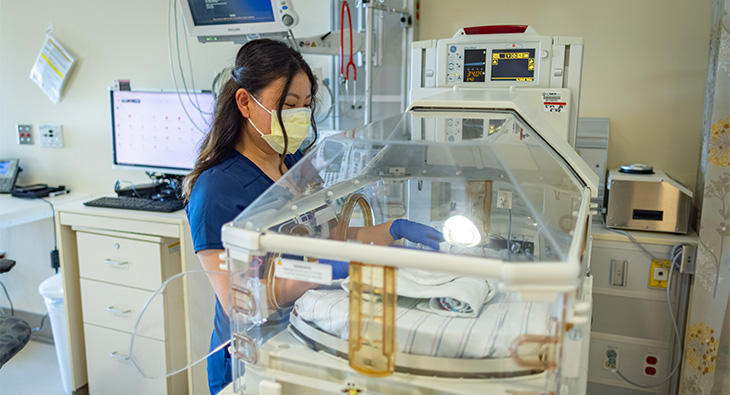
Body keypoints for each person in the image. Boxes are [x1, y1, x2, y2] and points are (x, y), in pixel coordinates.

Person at [182, 39, 444, 395]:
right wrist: (325, 268)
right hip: (253, 359)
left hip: (308, 337)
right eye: (289, 105)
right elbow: (241, 299)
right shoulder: (216, 190)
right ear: (245, 102)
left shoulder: (295, 166)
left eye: (306, 106)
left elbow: (337, 238)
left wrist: (393, 233)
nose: (301, 117)